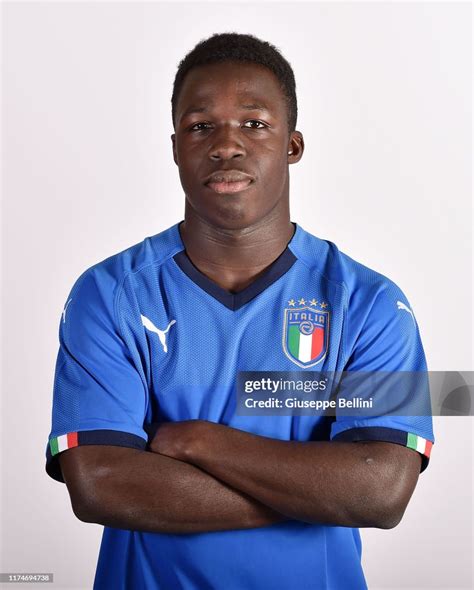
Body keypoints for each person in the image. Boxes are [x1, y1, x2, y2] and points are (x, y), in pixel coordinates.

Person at [45, 32, 434, 590]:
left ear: (293, 144)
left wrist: (201, 442)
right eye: (202, 126)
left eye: (254, 124)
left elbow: (381, 492)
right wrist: (319, 493)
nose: (227, 144)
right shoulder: (108, 294)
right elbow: (101, 483)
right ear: (176, 145)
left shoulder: (373, 303)